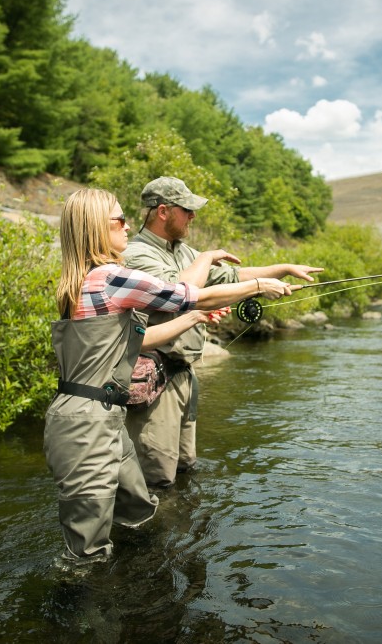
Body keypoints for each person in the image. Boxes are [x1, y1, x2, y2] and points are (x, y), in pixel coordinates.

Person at [44, 187, 295, 563]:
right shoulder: (110, 277)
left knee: (138, 514)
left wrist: (193, 319)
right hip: (85, 424)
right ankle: (86, 611)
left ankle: (140, 588)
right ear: (98, 227)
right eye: (119, 220)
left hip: (104, 417)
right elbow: (188, 293)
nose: (127, 226)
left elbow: (136, 340)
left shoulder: (88, 281)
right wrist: (258, 287)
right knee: (86, 553)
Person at [123, 176, 323, 488]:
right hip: (154, 383)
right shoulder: (137, 255)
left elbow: (228, 276)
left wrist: (280, 269)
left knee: (185, 470)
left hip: (183, 376)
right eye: (187, 209)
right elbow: (180, 291)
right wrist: (254, 285)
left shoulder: (185, 252)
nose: (193, 216)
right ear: (163, 212)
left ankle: (186, 534)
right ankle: (149, 535)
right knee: (156, 479)